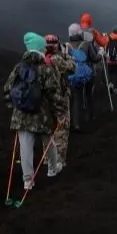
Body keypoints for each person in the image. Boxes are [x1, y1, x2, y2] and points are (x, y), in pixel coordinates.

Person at [3, 32, 67, 190]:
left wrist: (14, 107)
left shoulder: (19, 67)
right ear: (40, 49)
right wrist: (61, 113)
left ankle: (28, 180)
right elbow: (55, 93)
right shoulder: (46, 68)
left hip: (21, 115)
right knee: (48, 142)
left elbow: (7, 89)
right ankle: (52, 169)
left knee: (25, 147)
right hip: (42, 115)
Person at [44, 34, 74, 165]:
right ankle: (59, 160)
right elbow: (72, 67)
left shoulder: (41, 58)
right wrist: (67, 54)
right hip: (60, 98)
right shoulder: (57, 59)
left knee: (48, 128)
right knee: (62, 128)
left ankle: (47, 159)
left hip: (45, 99)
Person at [67, 23, 103, 130]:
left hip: (74, 75)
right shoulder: (86, 44)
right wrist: (101, 52)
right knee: (88, 95)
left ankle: (76, 124)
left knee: (76, 98)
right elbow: (95, 58)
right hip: (88, 74)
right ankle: (90, 116)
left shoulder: (67, 46)